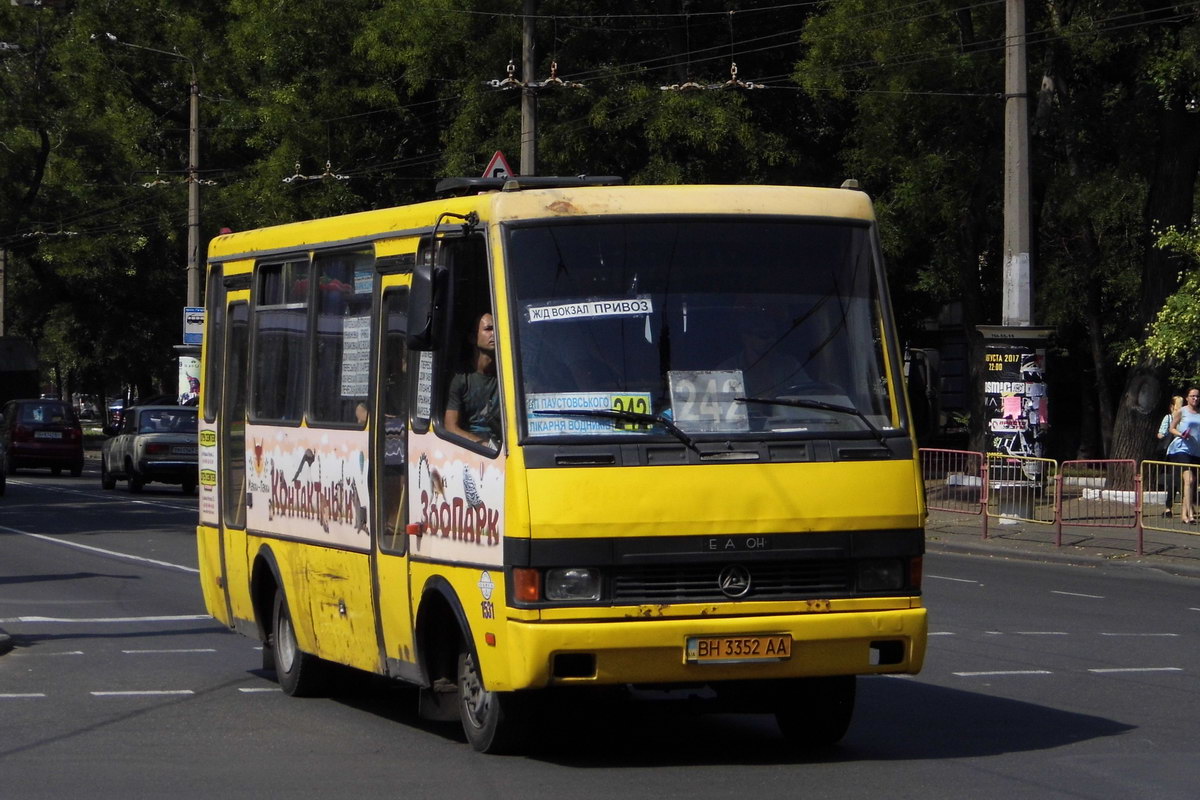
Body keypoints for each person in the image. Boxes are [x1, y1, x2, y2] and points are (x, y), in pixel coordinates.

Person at [444, 311, 501, 447]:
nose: (494, 333)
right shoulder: (460, 379)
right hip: (473, 451)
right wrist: (483, 445)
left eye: (497, 329)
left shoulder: (508, 376)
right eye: (488, 329)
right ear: (472, 338)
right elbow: (450, 427)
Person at [1166, 388, 1200, 524]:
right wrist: (1181, 434)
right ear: (1187, 398)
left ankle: (1185, 514)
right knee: (1189, 480)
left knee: (1192, 483)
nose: (1195, 399)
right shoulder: (1182, 411)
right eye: (1192, 396)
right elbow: (1171, 428)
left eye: (1197, 397)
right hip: (1181, 449)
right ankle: (1188, 515)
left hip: (1196, 451)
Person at [1158, 395, 1183, 516]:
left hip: (1181, 451)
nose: (1180, 407)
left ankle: (1174, 508)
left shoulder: (1184, 417)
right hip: (1173, 452)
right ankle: (1171, 507)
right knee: (1177, 480)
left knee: (1180, 480)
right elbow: (1160, 434)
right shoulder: (1169, 418)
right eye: (1179, 404)